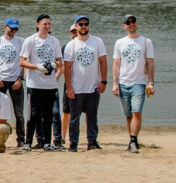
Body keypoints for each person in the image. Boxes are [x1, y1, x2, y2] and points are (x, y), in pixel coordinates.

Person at [62, 15, 107, 152]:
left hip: (93, 86)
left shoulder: (97, 42)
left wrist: (103, 81)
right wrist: (69, 87)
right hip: (77, 87)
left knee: (92, 116)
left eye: (85, 24)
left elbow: (103, 61)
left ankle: (92, 141)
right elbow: (67, 67)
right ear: (76, 27)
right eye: (80, 24)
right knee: (74, 118)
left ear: (88, 26)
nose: (83, 26)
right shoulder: (71, 45)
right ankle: (73, 143)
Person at [19, 14, 63, 151]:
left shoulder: (54, 41)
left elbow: (59, 61)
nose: (47, 26)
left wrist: (54, 65)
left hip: (50, 84)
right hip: (35, 83)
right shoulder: (30, 40)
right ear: (38, 25)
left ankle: (47, 143)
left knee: (48, 115)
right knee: (33, 114)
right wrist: (37, 67)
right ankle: (28, 142)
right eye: (44, 24)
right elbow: (22, 61)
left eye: (49, 24)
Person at [112, 14, 155, 153]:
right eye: (128, 22)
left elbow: (150, 63)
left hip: (139, 82)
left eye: (133, 21)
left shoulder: (146, 42)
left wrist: (151, 82)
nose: (131, 24)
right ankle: (132, 140)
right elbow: (116, 63)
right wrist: (114, 83)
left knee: (137, 112)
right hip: (124, 82)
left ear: (137, 23)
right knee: (128, 114)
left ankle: (133, 141)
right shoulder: (119, 42)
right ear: (124, 26)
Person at [0, 17, 25, 148]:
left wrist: (20, 79)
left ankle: (21, 139)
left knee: (19, 113)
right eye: (11, 28)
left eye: (16, 28)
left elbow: (24, 62)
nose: (13, 31)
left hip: (15, 81)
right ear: (5, 27)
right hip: (1, 80)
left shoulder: (20, 41)